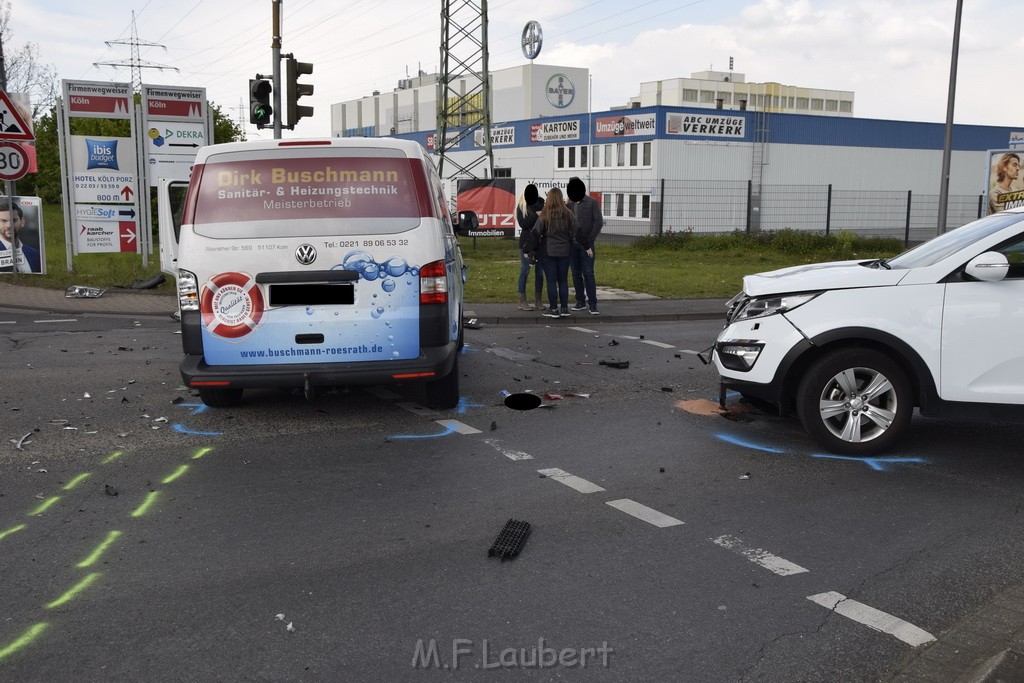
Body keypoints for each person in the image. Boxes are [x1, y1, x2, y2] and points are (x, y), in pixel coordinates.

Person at [524, 187, 577, 318]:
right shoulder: (569, 213)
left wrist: (527, 249)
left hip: (548, 252)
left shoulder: (545, 214)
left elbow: (535, 233)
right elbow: (577, 231)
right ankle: (565, 309)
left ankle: (553, 309)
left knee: (551, 281)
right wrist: (587, 246)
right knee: (563, 281)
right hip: (565, 252)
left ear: (549, 199)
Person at [566, 177, 604, 315]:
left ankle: (593, 304)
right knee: (576, 274)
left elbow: (598, 222)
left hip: (586, 245)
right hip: (572, 245)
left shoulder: (591, 202)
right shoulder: (568, 205)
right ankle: (580, 301)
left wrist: (589, 240)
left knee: (588, 274)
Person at [515, 184, 545, 310]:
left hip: (540, 243)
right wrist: (536, 215)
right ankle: (522, 301)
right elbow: (524, 224)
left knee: (539, 273)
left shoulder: (541, 205)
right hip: (526, 243)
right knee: (525, 270)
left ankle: (538, 300)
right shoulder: (521, 207)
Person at [0, 200, 41, 273]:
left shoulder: (35, 254)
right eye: (3, 221)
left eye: (14, 220)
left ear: (22, 222)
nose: (9, 225)